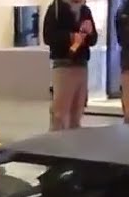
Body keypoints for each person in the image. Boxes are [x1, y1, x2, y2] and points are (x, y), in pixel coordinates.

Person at [43, 0, 99, 130]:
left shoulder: (85, 11)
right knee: (60, 113)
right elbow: (48, 37)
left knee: (77, 111)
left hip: (82, 65)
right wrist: (71, 37)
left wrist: (90, 32)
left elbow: (93, 40)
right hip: (63, 66)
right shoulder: (56, 9)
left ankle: (74, 140)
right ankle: (56, 141)